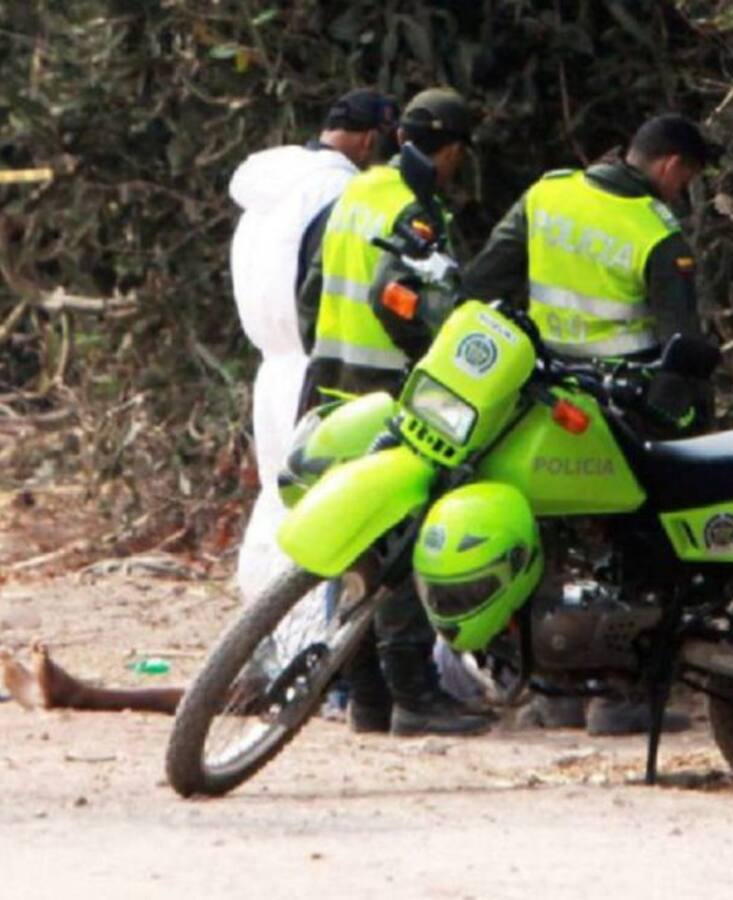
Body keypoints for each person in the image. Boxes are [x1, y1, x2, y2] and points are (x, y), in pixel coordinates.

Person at [459, 113, 720, 735]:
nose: (680, 193)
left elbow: (482, 282)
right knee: (638, 539)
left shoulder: (546, 195)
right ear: (671, 168)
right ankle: (620, 696)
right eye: (685, 181)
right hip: (618, 402)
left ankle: (550, 691)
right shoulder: (656, 231)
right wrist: (678, 423)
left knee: (541, 535)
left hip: (537, 394)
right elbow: (678, 342)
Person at [299, 87, 493, 738]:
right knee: (400, 548)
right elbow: (398, 298)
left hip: (333, 389)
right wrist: (435, 364)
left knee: (357, 546)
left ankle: (367, 698)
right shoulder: (415, 207)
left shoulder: (357, 192)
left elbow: (310, 291)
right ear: (452, 150)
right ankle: (413, 694)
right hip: (390, 395)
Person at [230, 88, 398, 604]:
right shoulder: (337, 195)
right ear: (370, 141)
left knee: (281, 507)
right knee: (327, 516)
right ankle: (314, 653)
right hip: (313, 366)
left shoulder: (269, 190)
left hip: (271, 365)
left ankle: (265, 651)